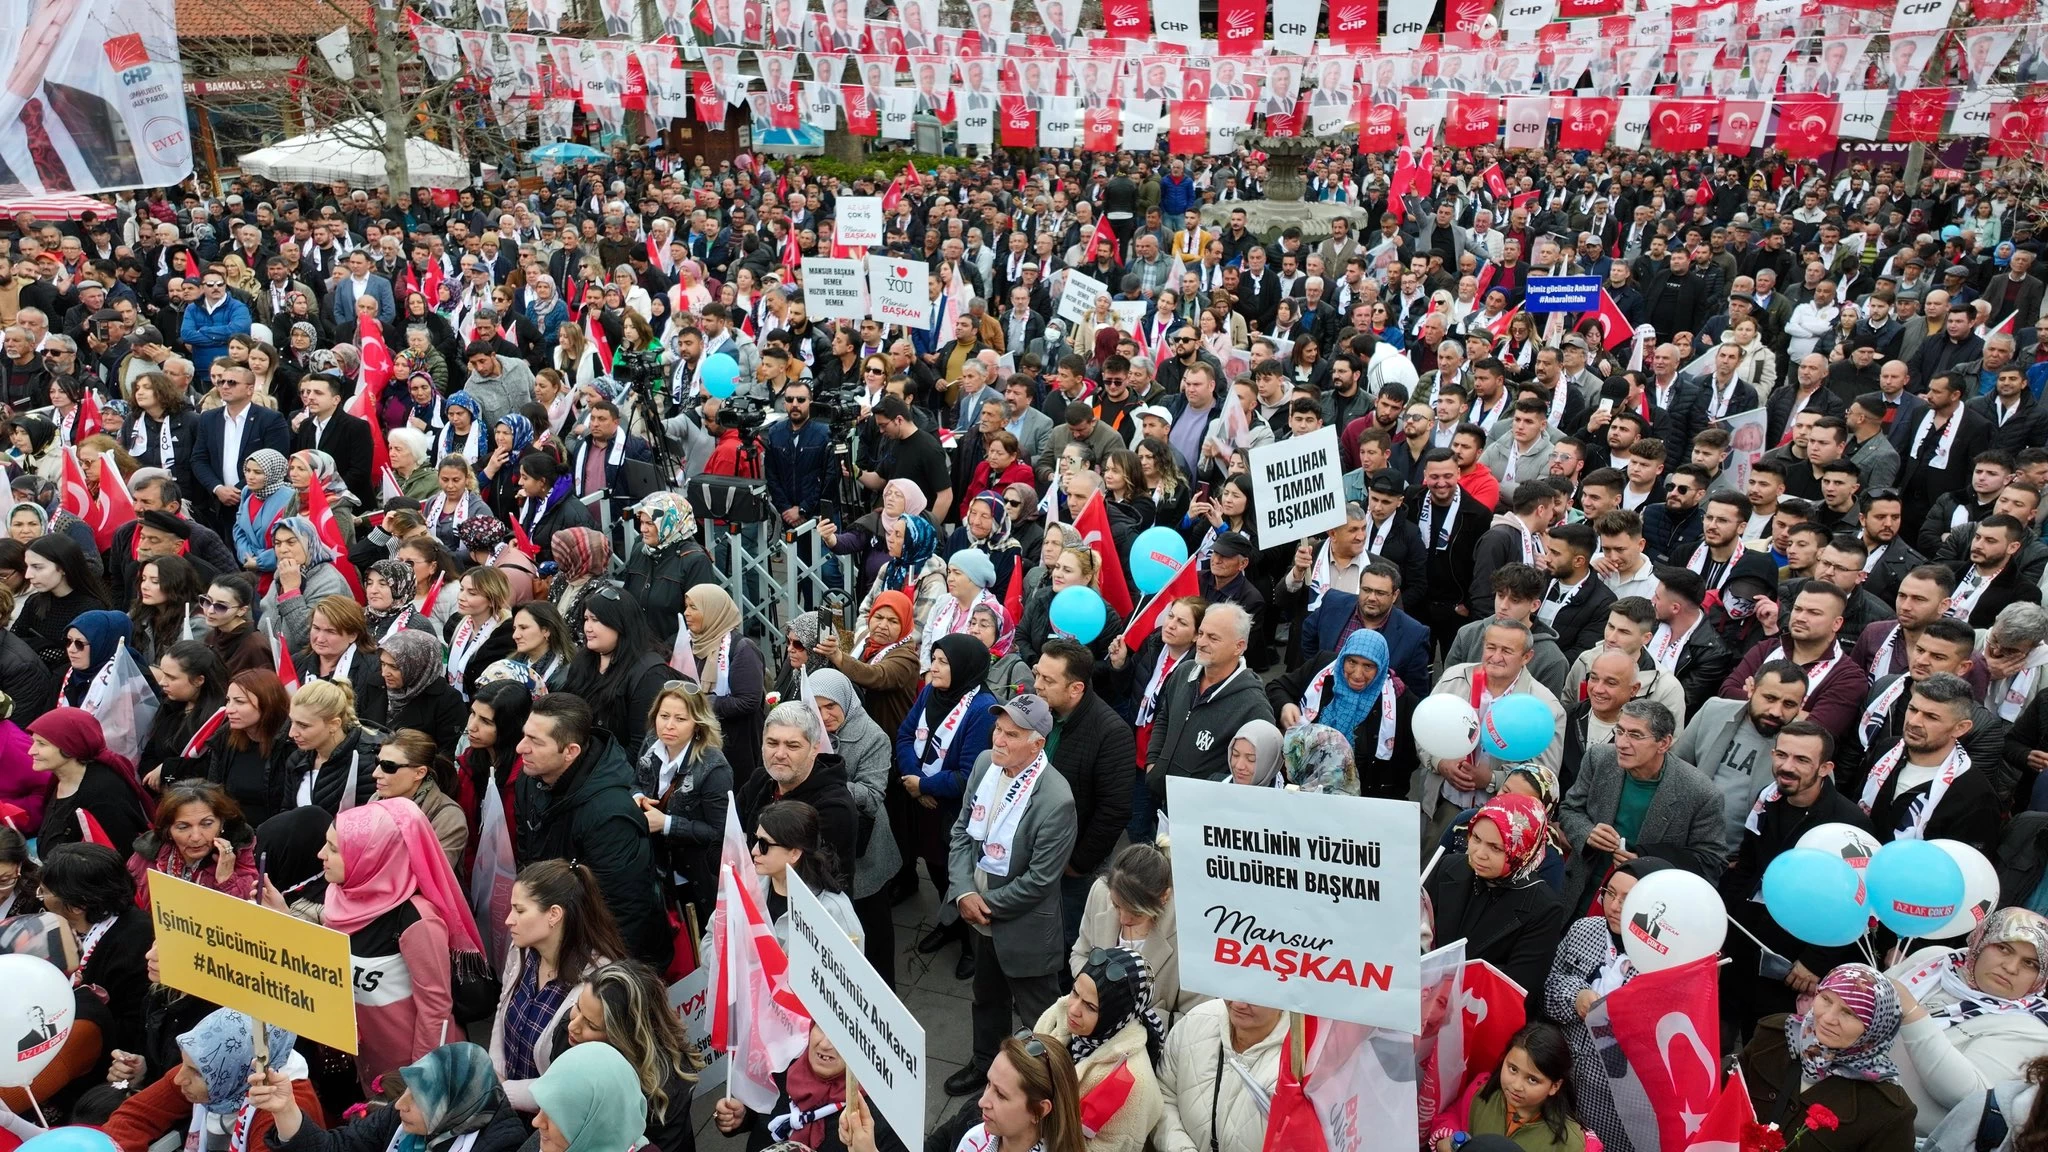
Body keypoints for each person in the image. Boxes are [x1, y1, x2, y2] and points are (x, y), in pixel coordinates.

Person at [301, 798, 487, 1092]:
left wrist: (419, 1083)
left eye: (334, 849)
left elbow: (436, 1010)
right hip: (369, 1067)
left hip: (411, 1076)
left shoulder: (417, 920)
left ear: (371, 857)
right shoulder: (340, 896)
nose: (320, 854)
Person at [944, 695, 1079, 1096]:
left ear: (1037, 744)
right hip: (978, 916)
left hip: (1022, 930)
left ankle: (1047, 1085)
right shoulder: (986, 764)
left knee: (1041, 1015)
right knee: (986, 999)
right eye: (998, 730)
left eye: (1011, 734)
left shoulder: (1057, 799)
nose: (998, 740)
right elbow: (960, 831)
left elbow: (1041, 879)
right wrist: (964, 891)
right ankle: (985, 1064)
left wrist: (983, 905)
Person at [513, 693, 671, 968]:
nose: (520, 748)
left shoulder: (609, 814)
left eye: (535, 741)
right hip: (555, 937)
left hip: (601, 958)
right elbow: (528, 857)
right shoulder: (530, 779)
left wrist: (600, 980)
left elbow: (625, 912)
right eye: (525, 735)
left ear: (570, 752)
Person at [1545, 856, 1676, 1151]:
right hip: (1561, 1074)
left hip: (1616, 1095)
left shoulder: (1668, 962)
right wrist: (1576, 997)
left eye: (1629, 899)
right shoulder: (1585, 930)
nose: (1614, 906)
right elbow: (1548, 987)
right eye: (1610, 893)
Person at [1557, 699, 1725, 911]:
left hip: (1644, 905)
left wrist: (1646, 861)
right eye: (1619, 731)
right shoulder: (1598, 759)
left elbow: (1710, 862)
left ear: (1664, 743)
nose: (1621, 743)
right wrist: (1588, 833)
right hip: (1582, 891)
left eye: (1635, 735)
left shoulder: (1701, 793)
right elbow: (1570, 809)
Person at [490, 859, 629, 1110]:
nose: (509, 920)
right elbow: (502, 1008)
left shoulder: (595, 983)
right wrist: (496, 1071)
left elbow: (572, 1081)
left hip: (553, 1123)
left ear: (554, 914)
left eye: (520, 911)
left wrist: (497, 1094)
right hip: (505, 1106)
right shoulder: (521, 952)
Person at [1739, 964, 1917, 1152]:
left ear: (1876, 1027)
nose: (1828, 1018)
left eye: (1849, 1013)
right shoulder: (1776, 1035)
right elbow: (1725, 1090)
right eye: (1826, 999)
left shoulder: (1888, 1111)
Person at [248, 1040, 529, 1152]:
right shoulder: (398, 1115)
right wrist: (285, 1109)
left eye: (419, 1099)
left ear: (453, 1110)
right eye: (408, 1088)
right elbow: (336, 1148)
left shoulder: (501, 1145)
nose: (401, 1104)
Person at [1424, 792, 1568, 1000]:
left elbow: (1518, 989)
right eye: (1476, 838)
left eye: (1495, 848)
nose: (1479, 853)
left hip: (1475, 1012)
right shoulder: (1450, 867)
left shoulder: (1543, 908)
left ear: (1522, 850)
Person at [1030, 946, 1167, 1152]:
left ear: (1116, 1015)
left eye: (1090, 1007)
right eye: (1075, 991)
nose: (1073, 1009)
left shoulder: (1133, 1082)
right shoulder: (1061, 1011)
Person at [1143, 604, 1275, 811]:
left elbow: (1257, 773)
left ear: (1238, 647)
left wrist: (1206, 797)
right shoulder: (1183, 672)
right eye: (1201, 633)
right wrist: (1154, 765)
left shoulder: (1254, 706)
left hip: (1203, 816)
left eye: (1213, 638)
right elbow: (1164, 716)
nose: (1201, 643)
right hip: (1162, 799)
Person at [561, 960, 695, 1152]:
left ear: (625, 1038)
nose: (572, 1026)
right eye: (578, 1007)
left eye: (591, 1025)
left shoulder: (663, 1090)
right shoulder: (568, 1034)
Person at [35, 842, 153, 1056]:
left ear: (77, 905)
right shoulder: (56, 924)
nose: (41, 899)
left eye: (44, 892)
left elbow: (131, 1026)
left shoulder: (137, 944)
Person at [632, 679, 731, 926]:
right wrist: (636, 797)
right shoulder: (650, 743)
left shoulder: (714, 767)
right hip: (653, 868)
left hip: (693, 877)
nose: (669, 725)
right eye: (664, 716)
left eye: (680, 719)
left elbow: (720, 831)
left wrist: (666, 823)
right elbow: (635, 783)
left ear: (697, 724)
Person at [721, 1025, 910, 1152]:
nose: (825, 1044)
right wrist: (743, 1116)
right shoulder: (783, 1063)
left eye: (840, 1037)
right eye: (821, 1026)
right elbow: (761, 1113)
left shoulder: (880, 1121)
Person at [1153, 999, 1288, 1152]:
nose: (1238, 1004)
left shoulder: (1305, 1063)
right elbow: (1164, 1095)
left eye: (1254, 996)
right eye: (1233, 986)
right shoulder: (1196, 1021)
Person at [1431, 1023, 1592, 1152]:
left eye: (1532, 1080)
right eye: (1513, 1069)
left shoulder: (1571, 1142)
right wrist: (1451, 1142)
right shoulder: (1481, 1092)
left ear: (1555, 1086)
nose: (1516, 1086)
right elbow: (1454, 1116)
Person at [29, 706, 151, 855]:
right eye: (33, 742)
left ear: (70, 747)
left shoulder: (103, 795)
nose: (31, 751)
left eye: (42, 744)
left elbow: (118, 857)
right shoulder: (61, 778)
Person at [566, 587, 673, 754]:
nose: (587, 627)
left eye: (595, 620)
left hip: (617, 771)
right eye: (586, 619)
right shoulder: (584, 660)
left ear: (620, 623)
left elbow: (642, 746)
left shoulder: (649, 673)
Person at [125, 781, 259, 907]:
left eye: (206, 824)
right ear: (168, 830)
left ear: (222, 823)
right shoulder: (145, 856)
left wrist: (227, 880)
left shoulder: (241, 853)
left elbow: (248, 917)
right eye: (183, 827)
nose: (196, 837)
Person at [683, 584, 765, 786]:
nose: (686, 613)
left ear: (713, 611)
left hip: (736, 744)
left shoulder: (742, 649)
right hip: (701, 739)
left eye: (694, 607)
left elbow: (749, 701)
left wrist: (705, 703)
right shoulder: (690, 641)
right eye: (686, 607)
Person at [14, 534, 112, 675]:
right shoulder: (35, 602)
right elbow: (14, 642)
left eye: (37, 567)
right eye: (27, 567)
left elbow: (79, 660)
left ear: (63, 568)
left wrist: (37, 647)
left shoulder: (91, 610)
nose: (28, 575)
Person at [138, 640, 229, 789]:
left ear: (199, 680)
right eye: (163, 674)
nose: (162, 682)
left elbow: (210, 769)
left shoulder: (221, 718)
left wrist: (167, 771)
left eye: (171, 677)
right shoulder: (170, 706)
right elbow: (150, 753)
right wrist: (152, 777)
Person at [524, 1044, 649, 1152]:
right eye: (543, 1107)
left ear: (599, 1121)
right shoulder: (550, 1142)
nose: (536, 1122)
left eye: (555, 1115)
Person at [285, 679, 381, 815]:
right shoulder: (297, 760)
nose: (292, 733)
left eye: (303, 725)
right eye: (292, 722)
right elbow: (286, 813)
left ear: (334, 724)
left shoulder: (367, 764)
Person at [373, 729, 466, 869]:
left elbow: (434, 876)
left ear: (420, 773)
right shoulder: (378, 798)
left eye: (388, 766)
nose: (376, 774)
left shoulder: (447, 817)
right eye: (377, 762)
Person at [259, 518, 354, 654]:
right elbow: (266, 619)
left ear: (308, 543)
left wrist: (290, 592)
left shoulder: (329, 581)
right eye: (277, 543)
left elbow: (309, 636)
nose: (283, 550)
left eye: (291, 542)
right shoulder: (282, 574)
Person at [293, 596, 388, 728]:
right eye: (316, 628)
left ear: (352, 635)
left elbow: (373, 727)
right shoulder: (297, 662)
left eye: (330, 631)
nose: (319, 639)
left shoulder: (373, 669)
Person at [199, 574, 273, 674]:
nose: (210, 611)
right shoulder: (212, 636)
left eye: (221, 606)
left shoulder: (255, 647)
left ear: (242, 610)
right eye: (207, 601)